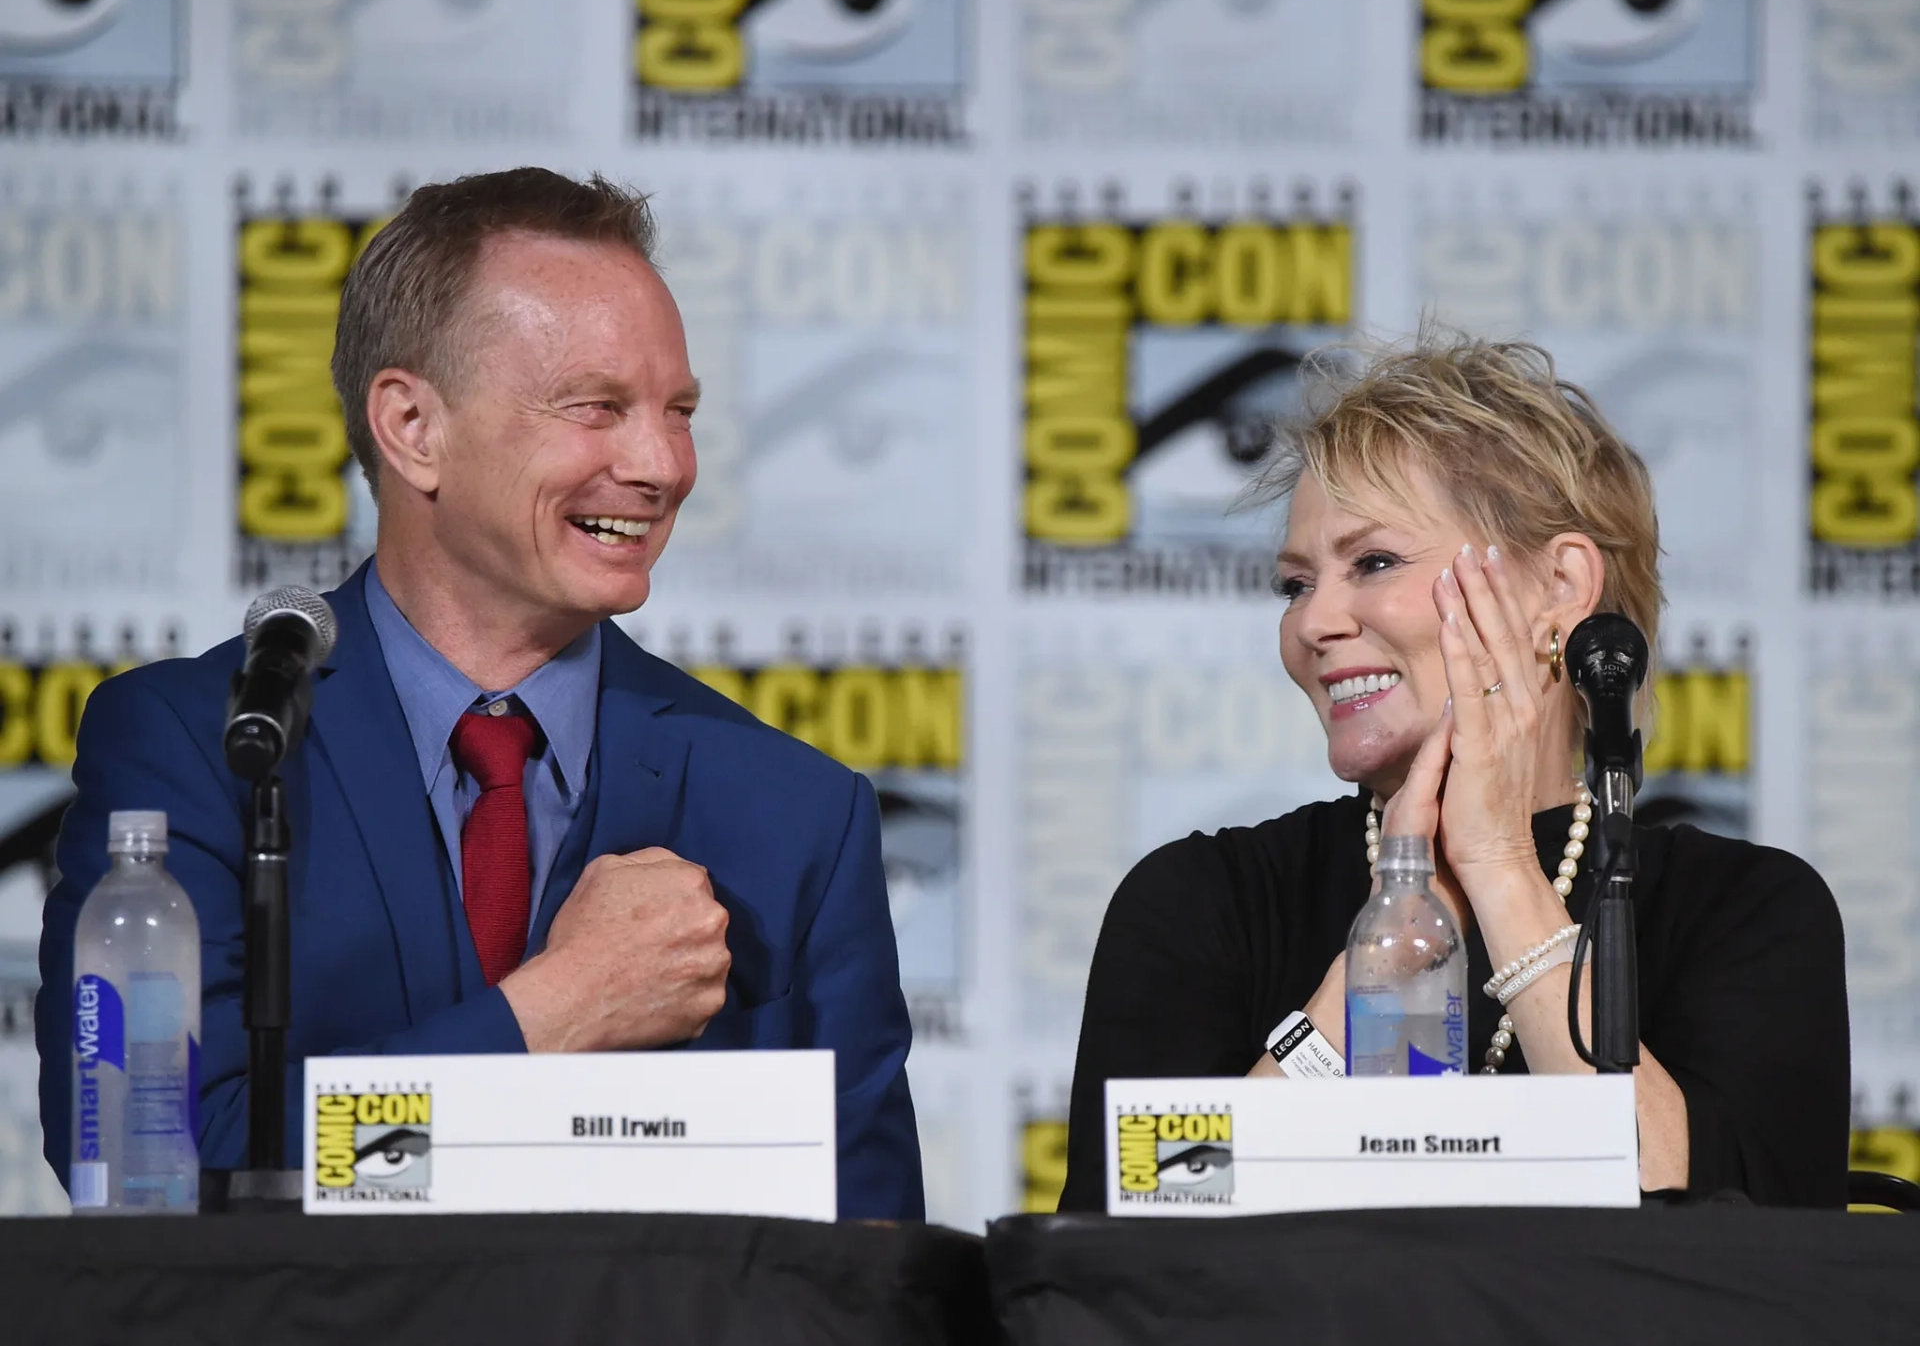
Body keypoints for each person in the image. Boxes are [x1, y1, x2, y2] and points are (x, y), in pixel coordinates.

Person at [36, 169, 924, 1220]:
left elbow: (871, 1270)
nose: (661, 463)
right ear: (414, 426)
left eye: (677, 411)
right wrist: (552, 1013)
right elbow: (169, 1174)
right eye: (596, 407)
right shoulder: (202, 750)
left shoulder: (794, 813)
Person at [1058, 334, 1848, 1211]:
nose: (1313, 622)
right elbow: (1122, 1252)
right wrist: (1383, 957)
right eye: (1295, 584)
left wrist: (1503, 869)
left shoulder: (1746, 913)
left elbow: (1726, 1263)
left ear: (1560, 584)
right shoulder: (1206, 898)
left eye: (1374, 562)